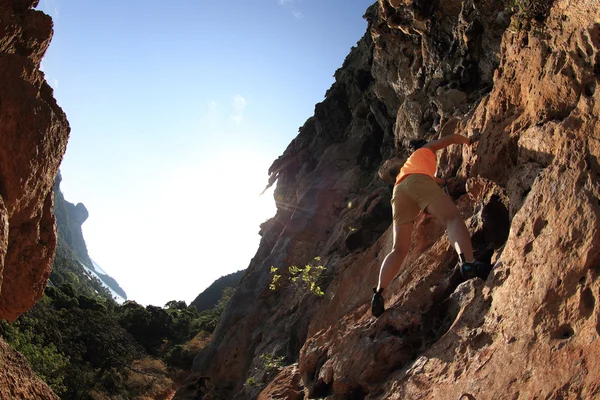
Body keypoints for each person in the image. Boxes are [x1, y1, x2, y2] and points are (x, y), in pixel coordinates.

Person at [371, 133, 491, 317]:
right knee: (452, 218)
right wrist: (468, 140)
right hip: (417, 182)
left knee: (399, 249)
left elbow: (435, 181)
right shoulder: (426, 149)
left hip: (399, 192)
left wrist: (444, 183)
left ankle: (379, 293)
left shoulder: (410, 166)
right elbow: (449, 139)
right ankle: (468, 262)